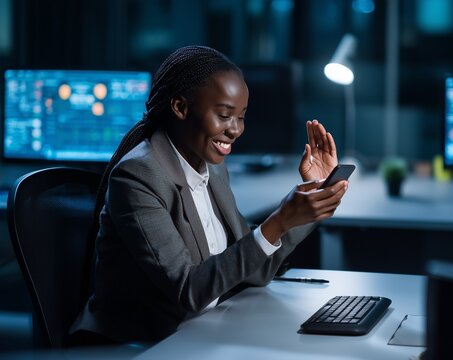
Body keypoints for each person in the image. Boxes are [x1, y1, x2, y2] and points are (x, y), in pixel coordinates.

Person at [70, 45, 348, 345]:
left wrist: (314, 193)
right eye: (224, 115)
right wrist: (279, 220)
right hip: (142, 344)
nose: (235, 130)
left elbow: (254, 270)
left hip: (204, 331)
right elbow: (189, 291)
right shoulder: (138, 176)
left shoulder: (212, 168)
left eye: (241, 117)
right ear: (180, 107)